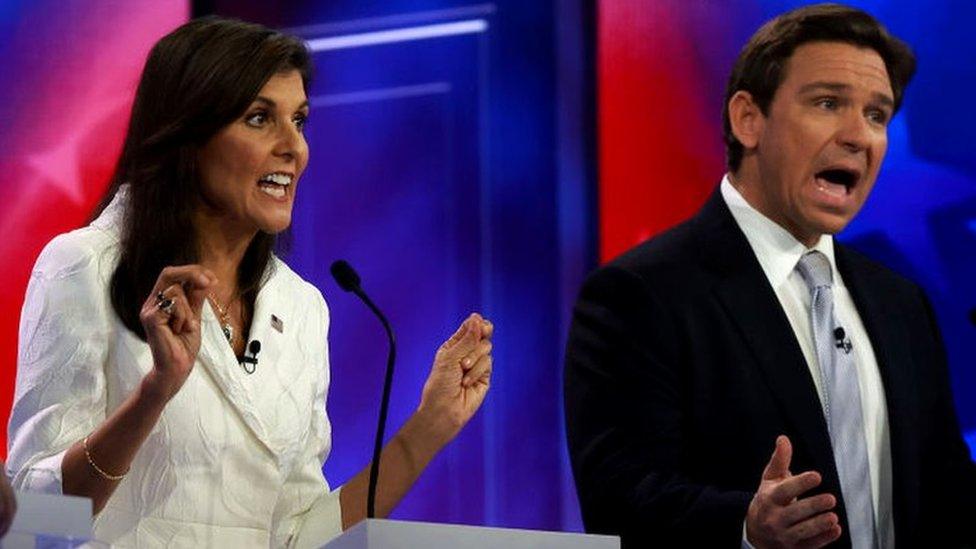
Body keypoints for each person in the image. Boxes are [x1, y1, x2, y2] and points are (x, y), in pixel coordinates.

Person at [6, 17, 494, 547]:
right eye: (260, 118)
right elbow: (35, 515)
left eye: (300, 120)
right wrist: (154, 394)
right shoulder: (85, 267)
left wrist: (429, 427)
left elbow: (296, 535)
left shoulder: (302, 307)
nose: (294, 147)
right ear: (188, 135)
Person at [564, 4, 976, 548]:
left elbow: (947, 499)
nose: (860, 135)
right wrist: (746, 528)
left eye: (878, 115)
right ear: (748, 120)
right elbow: (619, 498)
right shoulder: (640, 295)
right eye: (829, 103)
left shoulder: (901, 304)